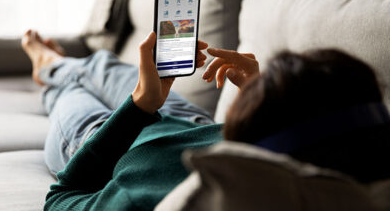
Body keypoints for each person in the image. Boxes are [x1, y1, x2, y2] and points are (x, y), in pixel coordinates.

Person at [21, 29, 390, 211]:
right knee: (105, 64)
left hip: (108, 140)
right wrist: (258, 95)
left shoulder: (142, 199)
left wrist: (139, 106)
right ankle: (61, 66)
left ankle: (47, 65)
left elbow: (60, 199)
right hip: (193, 122)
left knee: (70, 94)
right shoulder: (350, 145)